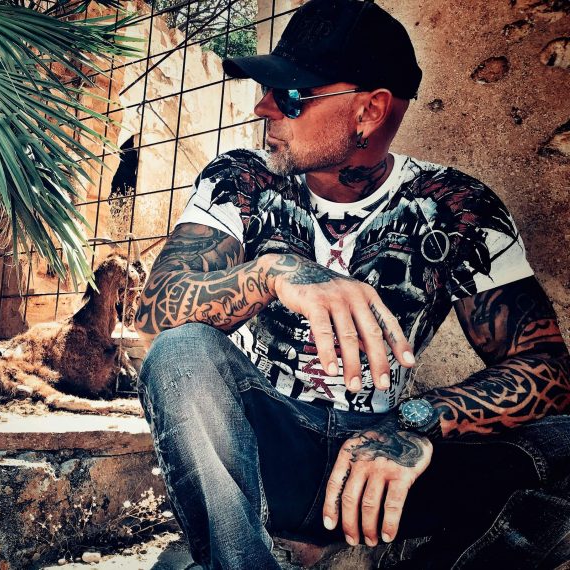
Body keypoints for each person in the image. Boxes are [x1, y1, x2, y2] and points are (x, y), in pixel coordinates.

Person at [133, 0, 570, 568]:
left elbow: (549, 368)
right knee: (182, 351)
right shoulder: (240, 179)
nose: (264, 107)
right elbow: (154, 313)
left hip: (381, 467)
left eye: (291, 95)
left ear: (369, 110)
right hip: (271, 450)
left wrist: (419, 424)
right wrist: (272, 273)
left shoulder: (455, 209)